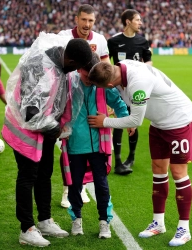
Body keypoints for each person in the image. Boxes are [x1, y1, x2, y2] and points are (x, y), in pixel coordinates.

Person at [87, 60, 192, 247]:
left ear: (110, 85)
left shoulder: (138, 83)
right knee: (158, 171)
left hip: (179, 120)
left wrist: (104, 122)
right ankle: (158, 223)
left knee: (178, 173)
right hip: (159, 122)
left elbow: (136, 119)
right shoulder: (121, 66)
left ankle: (184, 228)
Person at [1, 34, 93, 247]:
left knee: (45, 172)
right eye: (76, 67)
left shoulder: (60, 59)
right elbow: (31, 114)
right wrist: (56, 129)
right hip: (25, 129)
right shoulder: (40, 68)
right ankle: (26, 228)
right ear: (71, 61)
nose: (75, 72)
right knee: (27, 176)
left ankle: (44, 220)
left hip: (45, 129)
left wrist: (57, 126)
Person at [61, 52, 129, 238]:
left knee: (101, 185)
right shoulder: (69, 84)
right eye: (86, 74)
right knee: (74, 185)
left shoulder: (101, 83)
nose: (90, 79)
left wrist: (127, 121)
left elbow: (119, 104)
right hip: (74, 144)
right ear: (79, 69)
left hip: (99, 145)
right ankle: (76, 219)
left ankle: (103, 222)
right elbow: (57, 107)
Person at [57, 3, 110, 208]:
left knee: (90, 147)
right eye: (84, 20)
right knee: (67, 148)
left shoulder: (100, 40)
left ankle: (80, 187)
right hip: (66, 99)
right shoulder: (63, 36)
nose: (87, 24)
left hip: (91, 100)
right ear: (76, 19)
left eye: (91, 21)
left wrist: (108, 104)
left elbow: (105, 69)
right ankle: (66, 190)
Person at [107, 9, 152, 175]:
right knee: (120, 120)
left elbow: (149, 62)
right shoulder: (113, 42)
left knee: (134, 121)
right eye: (137, 20)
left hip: (135, 88)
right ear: (128, 22)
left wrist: (140, 73)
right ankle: (118, 161)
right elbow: (108, 65)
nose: (140, 23)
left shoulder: (143, 41)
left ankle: (131, 157)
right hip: (119, 88)